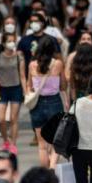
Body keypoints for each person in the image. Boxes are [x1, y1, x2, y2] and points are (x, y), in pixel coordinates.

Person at [27, 35, 66, 168]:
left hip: (37, 105)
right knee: (56, 141)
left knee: (42, 145)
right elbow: (63, 86)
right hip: (54, 102)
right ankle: (53, 167)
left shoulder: (32, 65)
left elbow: (30, 86)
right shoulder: (58, 64)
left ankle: (46, 171)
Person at [0, 32, 26, 153]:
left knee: (13, 118)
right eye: (9, 41)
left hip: (16, 88)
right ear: (3, 43)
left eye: (13, 40)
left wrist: (25, 91)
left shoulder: (19, 57)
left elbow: (22, 75)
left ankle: (13, 144)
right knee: (1, 118)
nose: (11, 43)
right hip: (2, 89)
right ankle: (6, 140)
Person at [17, 13, 62, 82]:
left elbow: (59, 58)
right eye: (31, 22)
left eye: (36, 21)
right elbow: (19, 59)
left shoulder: (51, 39)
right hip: (30, 76)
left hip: (49, 76)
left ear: (43, 23)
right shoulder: (24, 40)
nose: (33, 23)